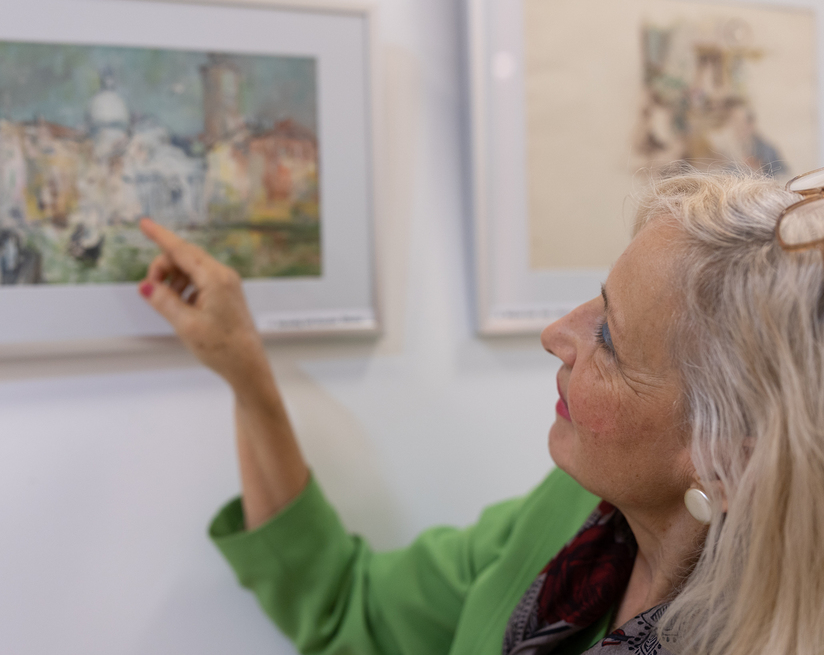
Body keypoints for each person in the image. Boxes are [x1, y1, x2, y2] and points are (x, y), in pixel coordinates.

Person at [135, 168, 824, 655]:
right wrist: (247, 375)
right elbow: (352, 607)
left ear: (724, 457)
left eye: (609, 338)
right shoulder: (574, 516)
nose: (556, 333)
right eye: (596, 298)